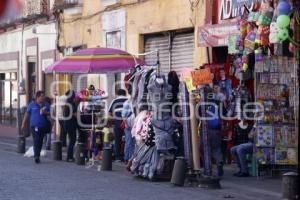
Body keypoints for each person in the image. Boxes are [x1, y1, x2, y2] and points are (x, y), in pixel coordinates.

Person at [21, 91, 50, 164]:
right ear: (37, 97)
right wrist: (23, 123)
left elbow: (51, 113)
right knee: (36, 140)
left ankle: (37, 155)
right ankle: (36, 156)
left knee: (40, 141)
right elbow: (27, 114)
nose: (43, 97)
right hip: (34, 126)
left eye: (43, 96)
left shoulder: (46, 104)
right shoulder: (31, 104)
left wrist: (45, 113)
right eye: (42, 96)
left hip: (43, 126)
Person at [108, 89, 127, 162]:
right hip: (127, 123)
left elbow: (109, 113)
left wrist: (115, 117)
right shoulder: (128, 101)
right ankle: (126, 156)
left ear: (117, 94)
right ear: (125, 94)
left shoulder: (114, 101)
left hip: (117, 124)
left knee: (117, 140)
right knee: (127, 140)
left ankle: (118, 157)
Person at [63, 90, 78, 162]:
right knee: (72, 140)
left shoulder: (67, 103)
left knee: (71, 140)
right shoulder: (72, 104)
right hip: (71, 124)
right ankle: (70, 157)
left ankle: (69, 156)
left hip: (66, 124)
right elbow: (75, 114)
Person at [122, 88, 135, 163]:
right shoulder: (127, 103)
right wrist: (126, 124)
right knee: (129, 142)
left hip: (135, 125)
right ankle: (127, 158)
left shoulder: (136, 102)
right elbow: (124, 115)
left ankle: (131, 157)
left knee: (133, 142)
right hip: (129, 125)